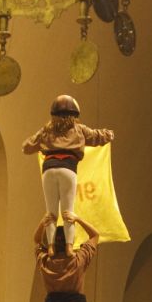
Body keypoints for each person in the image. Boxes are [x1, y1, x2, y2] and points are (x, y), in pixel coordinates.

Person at [22, 94, 114, 249]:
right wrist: (109, 134)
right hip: (68, 168)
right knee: (68, 212)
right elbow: (97, 136)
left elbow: (26, 147)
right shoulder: (79, 129)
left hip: (49, 169)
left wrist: (42, 144)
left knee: (50, 213)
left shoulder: (46, 130)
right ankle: (69, 247)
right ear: (74, 114)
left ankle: (50, 246)